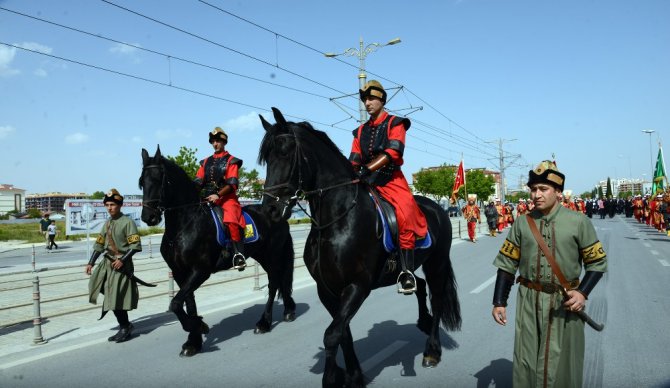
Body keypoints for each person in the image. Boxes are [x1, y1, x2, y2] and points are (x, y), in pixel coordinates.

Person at [490, 161, 607, 388]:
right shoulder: (522, 223)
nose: (537, 195)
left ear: (558, 192)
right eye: (534, 189)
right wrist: (499, 301)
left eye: (543, 189)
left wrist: (582, 293)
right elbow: (506, 263)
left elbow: (597, 262)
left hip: (565, 302)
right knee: (526, 355)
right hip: (529, 300)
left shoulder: (579, 222)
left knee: (564, 359)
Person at [349, 80, 428, 294]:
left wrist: (368, 169)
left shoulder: (396, 123)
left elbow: (394, 152)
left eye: (372, 98)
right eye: (365, 99)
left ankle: (407, 271)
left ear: (382, 100)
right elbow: (354, 159)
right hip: (366, 181)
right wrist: (351, 173)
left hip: (390, 180)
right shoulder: (359, 132)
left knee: (405, 214)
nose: (367, 102)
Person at [85, 189, 142, 343]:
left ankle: (125, 326)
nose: (109, 208)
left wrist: (122, 259)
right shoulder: (107, 223)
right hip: (107, 263)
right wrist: (91, 262)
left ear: (120, 205)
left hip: (121, 265)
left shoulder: (128, 222)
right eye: (107, 205)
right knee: (95, 285)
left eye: (112, 205)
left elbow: (135, 245)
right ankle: (125, 325)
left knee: (114, 296)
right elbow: (99, 244)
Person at [194, 127, 247, 271]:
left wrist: (218, 195)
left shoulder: (231, 161)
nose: (215, 144)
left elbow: (232, 184)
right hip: (207, 198)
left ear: (224, 142)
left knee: (230, 221)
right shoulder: (205, 162)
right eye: (213, 141)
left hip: (227, 199)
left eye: (218, 141)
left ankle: (238, 254)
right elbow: (198, 181)